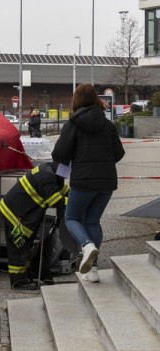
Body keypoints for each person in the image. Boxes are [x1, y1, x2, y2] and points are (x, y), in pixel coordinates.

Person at [51, 83, 125, 283]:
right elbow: (119, 153)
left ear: (76, 101)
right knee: (92, 221)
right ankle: (92, 271)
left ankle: (86, 246)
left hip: (83, 181)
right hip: (107, 182)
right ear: (95, 99)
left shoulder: (72, 125)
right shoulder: (108, 125)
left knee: (72, 218)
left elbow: (58, 154)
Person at [0, 161, 69, 290]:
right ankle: (18, 282)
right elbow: (54, 200)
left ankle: (26, 277)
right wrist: (74, 202)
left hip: (21, 214)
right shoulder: (47, 176)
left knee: (25, 247)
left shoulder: (51, 172)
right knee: (19, 248)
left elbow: (64, 191)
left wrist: (77, 196)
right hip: (16, 216)